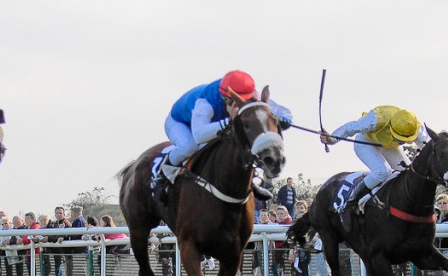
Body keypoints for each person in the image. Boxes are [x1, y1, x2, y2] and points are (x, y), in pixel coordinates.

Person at [152, 70, 291, 204]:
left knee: (238, 145)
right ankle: (161, 177)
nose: (238, 106)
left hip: (208, 123)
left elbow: (279, 110)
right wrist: (227, 122)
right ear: (226, 98)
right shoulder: (206, 102)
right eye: (234, 103)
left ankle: (250, 183)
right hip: (180, 123)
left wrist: (284, 118)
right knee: (189, 147)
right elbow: (199, 135)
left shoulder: (250, 95)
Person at [320, 105, 427, 223]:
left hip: (388, 145)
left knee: (409, 175)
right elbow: (351, 128)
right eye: (399, 139)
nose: (402, 143)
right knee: (383, 172)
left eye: (404, 140)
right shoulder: (376, 119)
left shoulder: (415, 127)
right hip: (366, 142)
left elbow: (429, 147)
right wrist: (333, 138)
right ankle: (352, 201)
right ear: (391, 127)